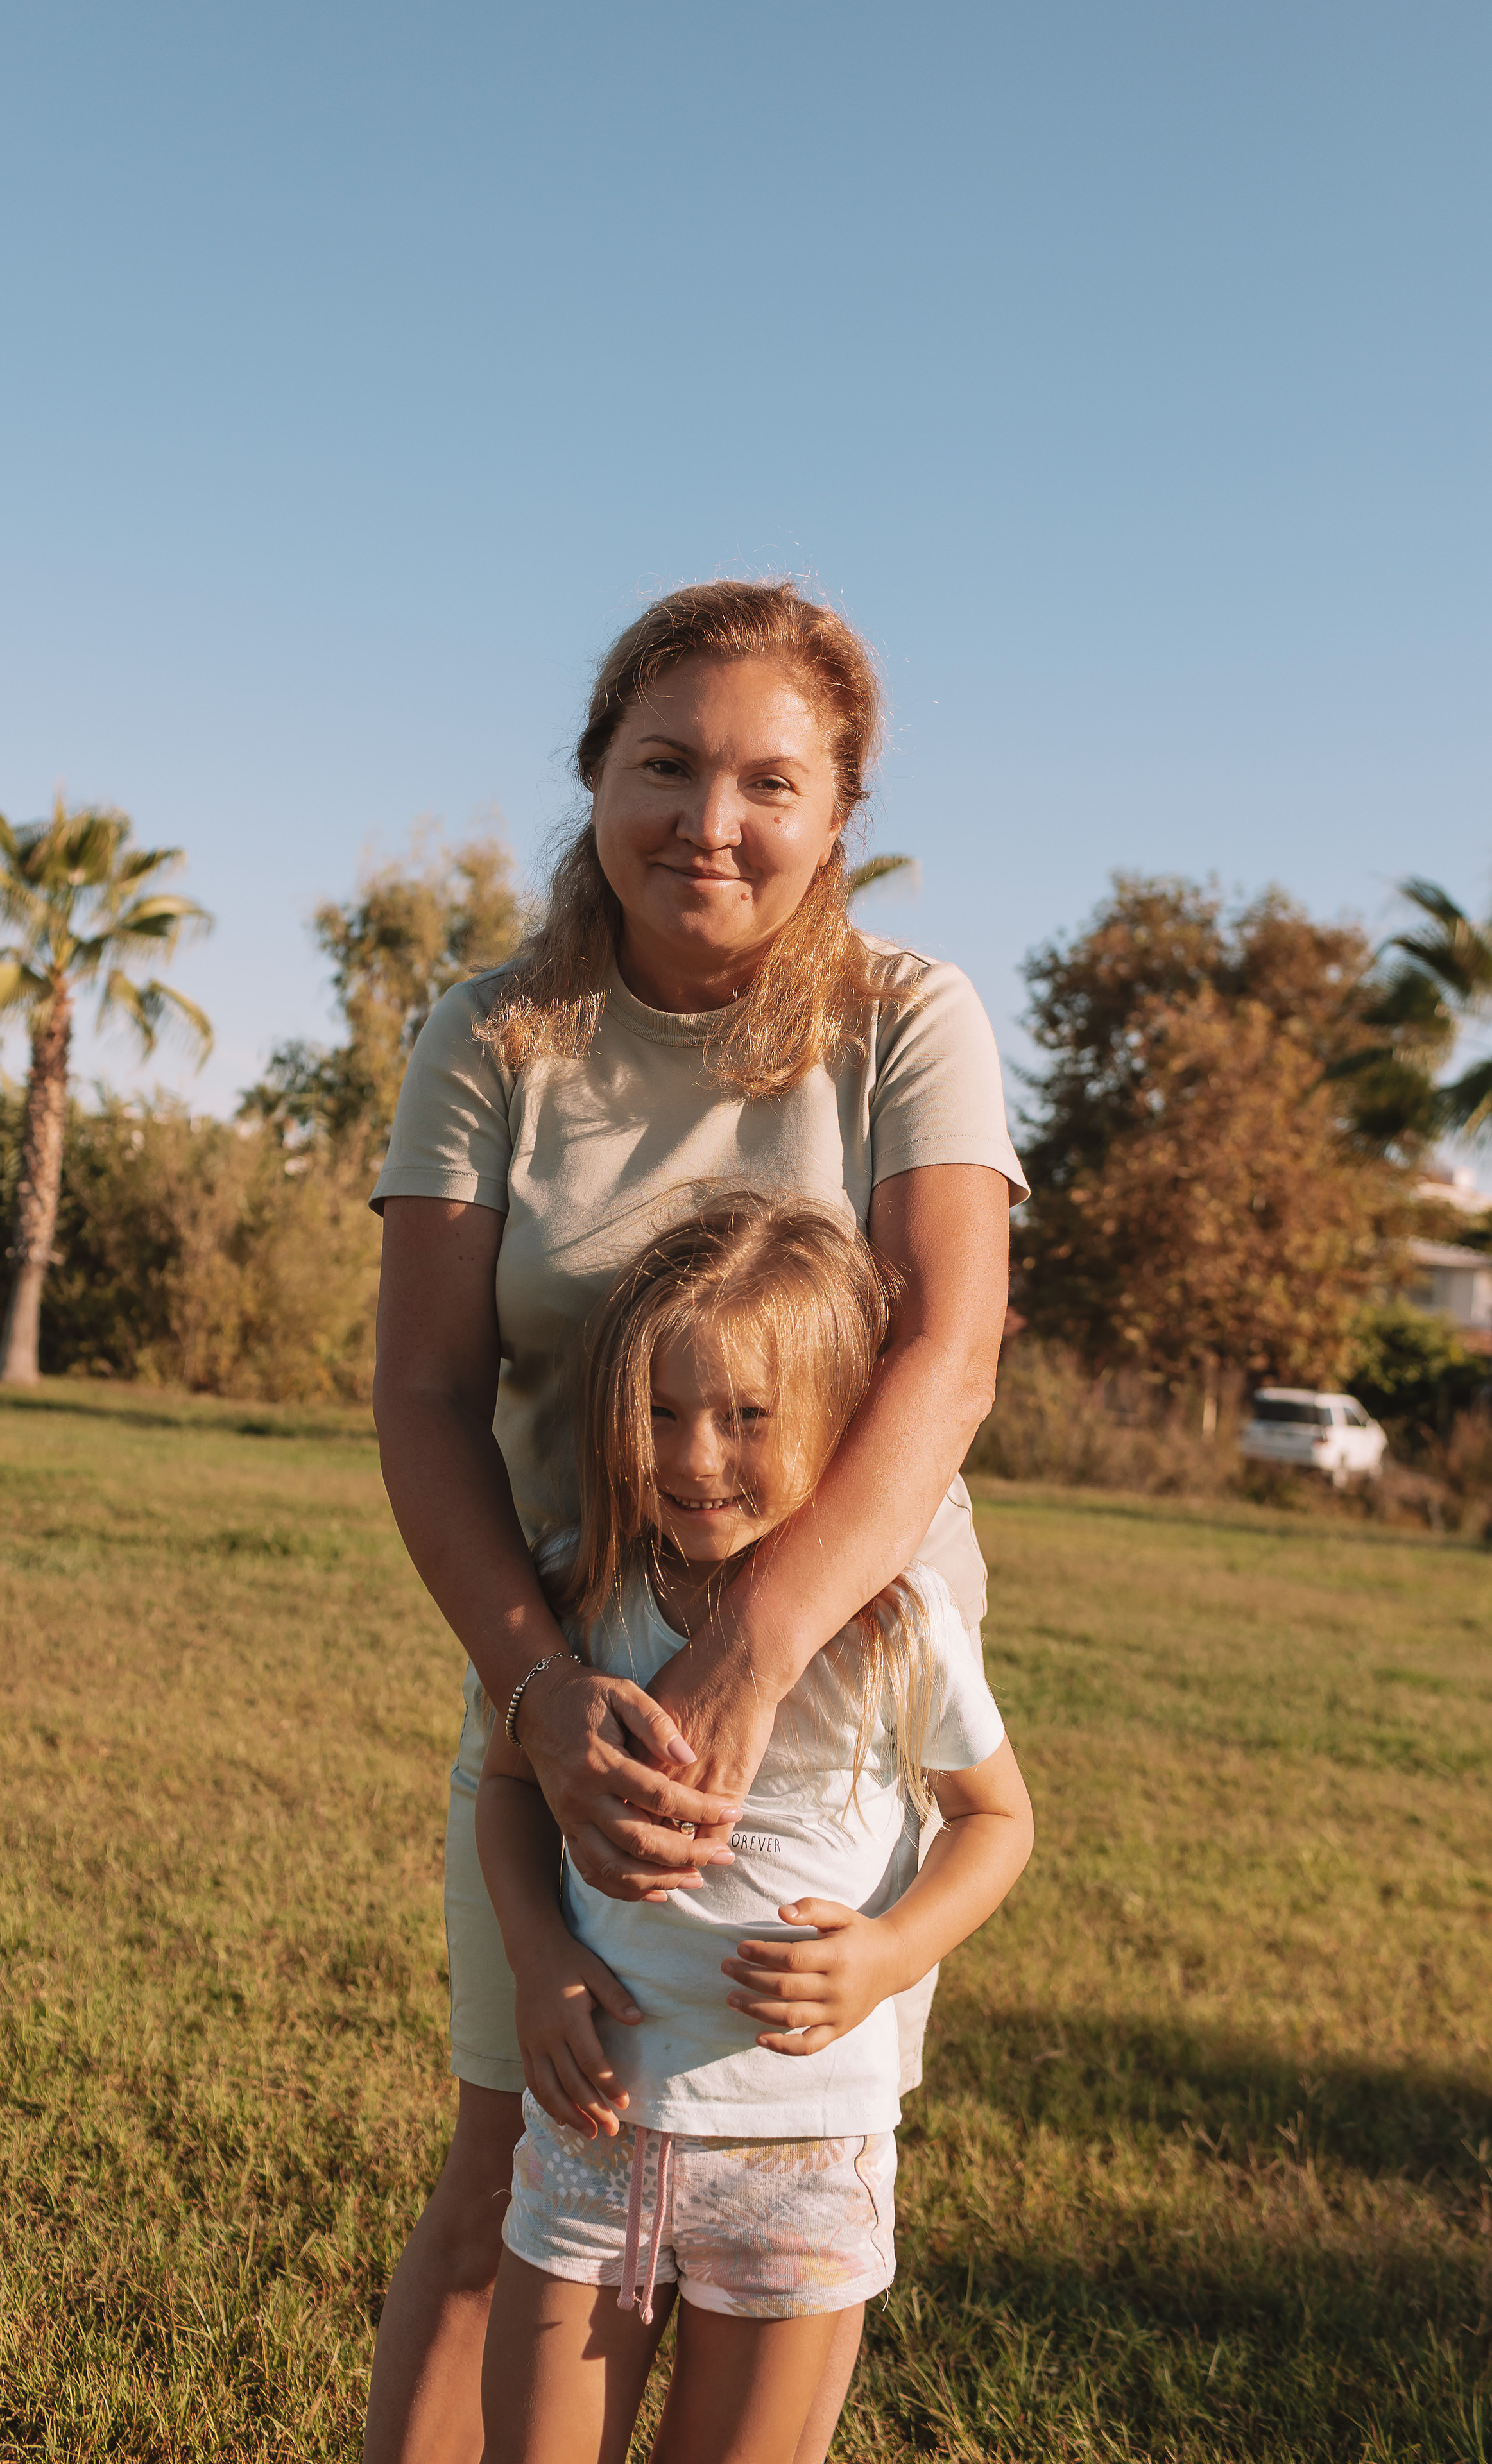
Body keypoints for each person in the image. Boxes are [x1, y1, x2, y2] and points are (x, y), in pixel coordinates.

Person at [364, 579, 1029, 2464]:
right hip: (568, 1645)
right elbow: (422, 1397)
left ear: (840, 821)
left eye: (770, 781)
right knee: (519, 2135)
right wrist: (540, 1693)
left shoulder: (911, 1022)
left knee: (779, 2174)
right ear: (595, 776)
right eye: (665, 765)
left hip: (839, 1689)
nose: (710, 822)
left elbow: (951, 1357)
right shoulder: (495, 1037)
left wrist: (757, 1654)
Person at [474, 1195, 1034, 2464]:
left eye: (745, 1417)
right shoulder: (578, 1589)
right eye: (661, 1413)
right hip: (592, 2141)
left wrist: (889, 1960)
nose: (693, 1458)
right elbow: (507, 1789)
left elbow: (994, 1820)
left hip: (800, 2156)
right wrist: (540, 1955)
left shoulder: (898, 1625)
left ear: (838, 1422)